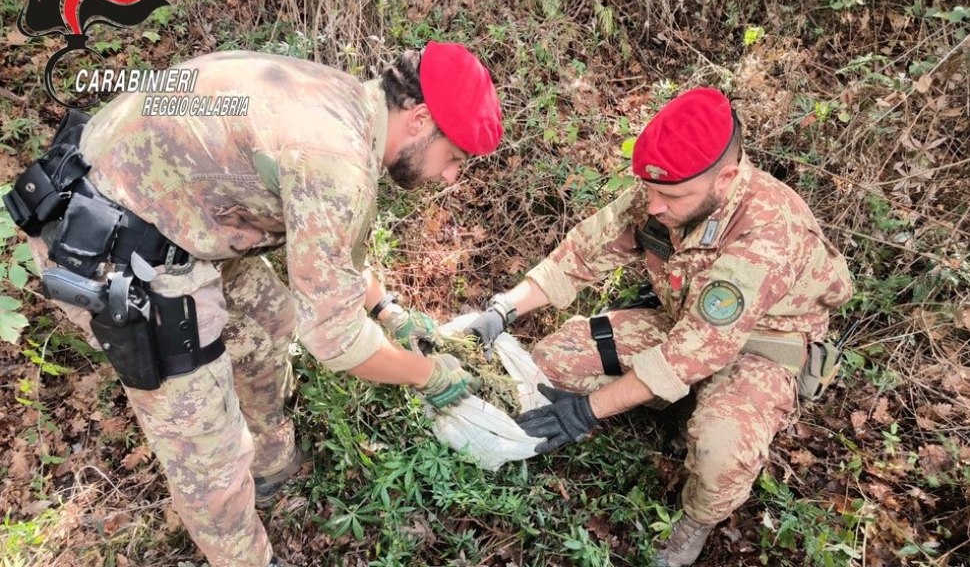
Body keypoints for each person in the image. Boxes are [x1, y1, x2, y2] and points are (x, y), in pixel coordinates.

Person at [5, 41, 502, 567]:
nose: (450, 178)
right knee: (210, 457)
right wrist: (427, 374)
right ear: (421, 119)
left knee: (272, 319)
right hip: (113, 249)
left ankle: (272, 461)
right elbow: (334, 339)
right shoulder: (334, 157)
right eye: (454, 159)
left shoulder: (346, 101)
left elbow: (335, 253)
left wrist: (390, 313)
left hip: (181, 215)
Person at [463, 88, 852, 566]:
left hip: (759, 350)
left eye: (669, 195)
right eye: (648, 190)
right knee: (550, 361)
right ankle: (666, 400)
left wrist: (585, 412)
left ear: (726, 178)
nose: (652, 207)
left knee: (720, 450)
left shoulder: (770, 232)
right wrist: (502, 310)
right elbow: (581, 254)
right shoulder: (664, 194)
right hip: (679, 325)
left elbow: (697, 351)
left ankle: (696, 521)